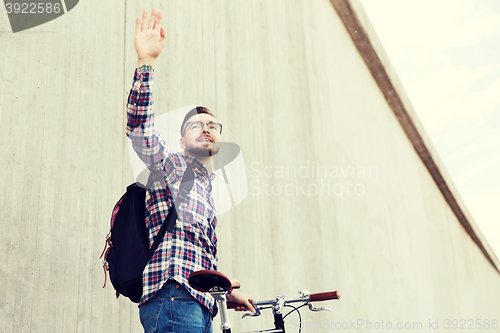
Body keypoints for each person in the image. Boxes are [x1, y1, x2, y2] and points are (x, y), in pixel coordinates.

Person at [126, 8, 254, 333]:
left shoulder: (208, 191)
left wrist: (225, 290)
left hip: (203, 305)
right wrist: (147, 62)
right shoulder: (171, 167)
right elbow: (140, 129)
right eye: (195, 125)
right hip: (174, 294)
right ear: (181, 142)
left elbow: (198, 250)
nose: (206, 128)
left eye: (212, 125)